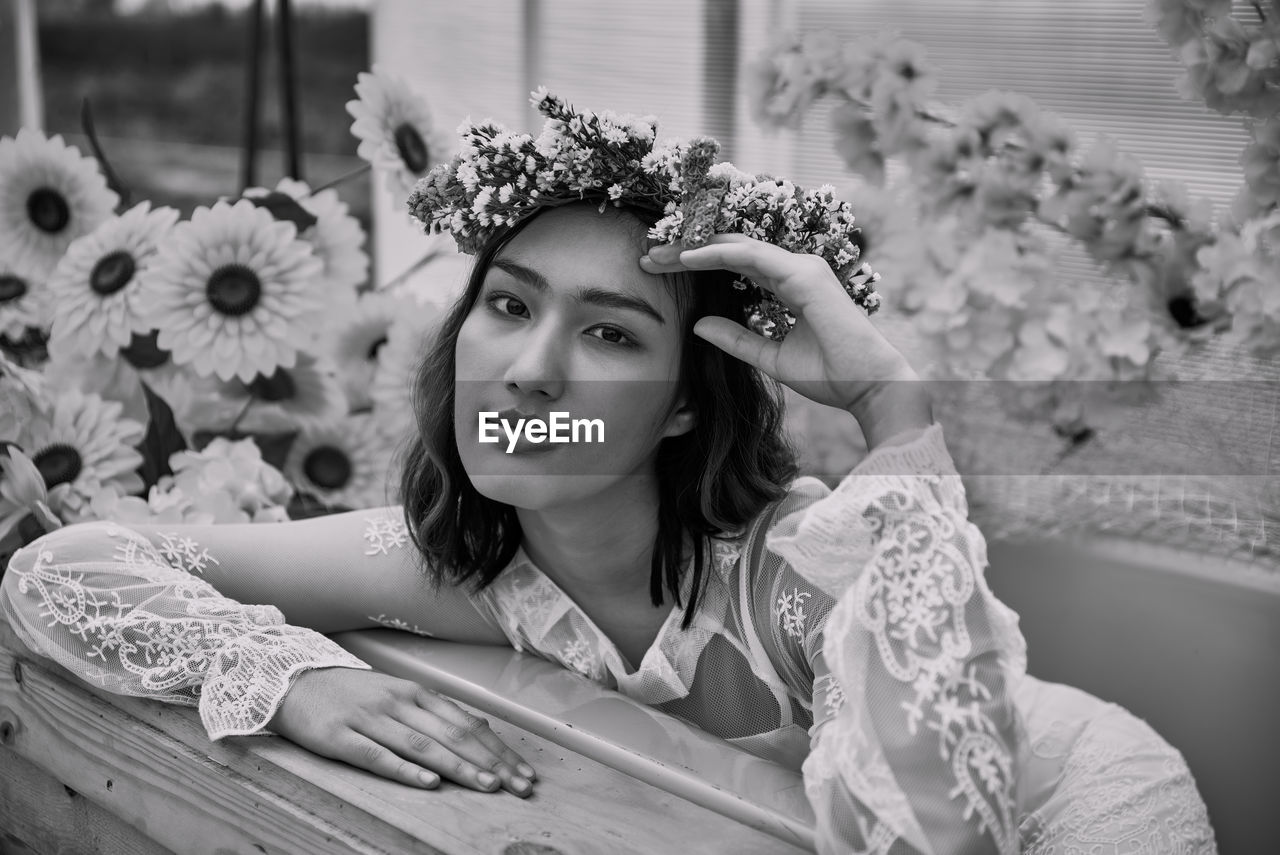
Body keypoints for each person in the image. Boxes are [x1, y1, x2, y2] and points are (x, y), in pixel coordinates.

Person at [1, 92, 1217, 854]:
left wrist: (894, 409)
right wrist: (287, 677)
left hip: (1080, 808)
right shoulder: (460, 565)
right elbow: (68, 567)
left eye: (610, 332)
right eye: (509, 304)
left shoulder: (791, 576)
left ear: (685, 401)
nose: (529, 373)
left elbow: (932, 833)